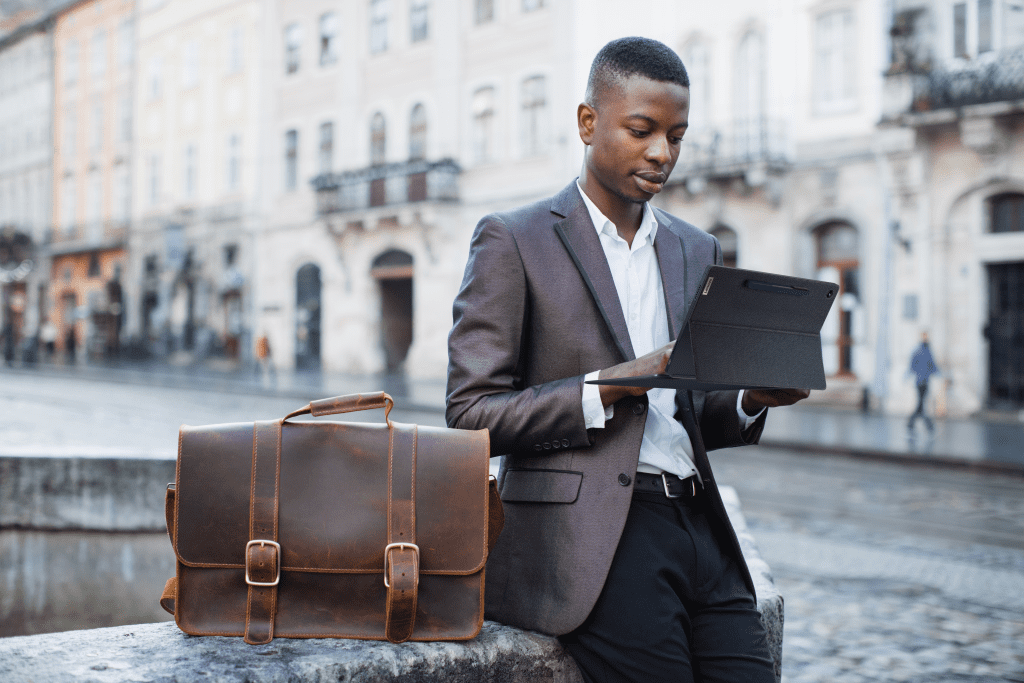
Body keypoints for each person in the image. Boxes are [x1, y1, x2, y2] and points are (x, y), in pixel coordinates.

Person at [446, 37, 809, 683]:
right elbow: (471, 415)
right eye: (642, 130)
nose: (662, 153)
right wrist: (609, 385)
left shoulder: (695, 248)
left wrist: (752, 399)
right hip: (595, 540)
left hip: (700, 523)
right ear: (588, 123)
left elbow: (689, 411)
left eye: (677, 135)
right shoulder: (513, 238)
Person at [908, 332, 939, 433]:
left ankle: (913, 424)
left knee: (921, 405)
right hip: (923, 381)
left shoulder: (919, 351)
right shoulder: (925, 352)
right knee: (921, 405)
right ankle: (927, 426)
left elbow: (913, 367)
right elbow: (933, 366)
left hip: (921, 381)